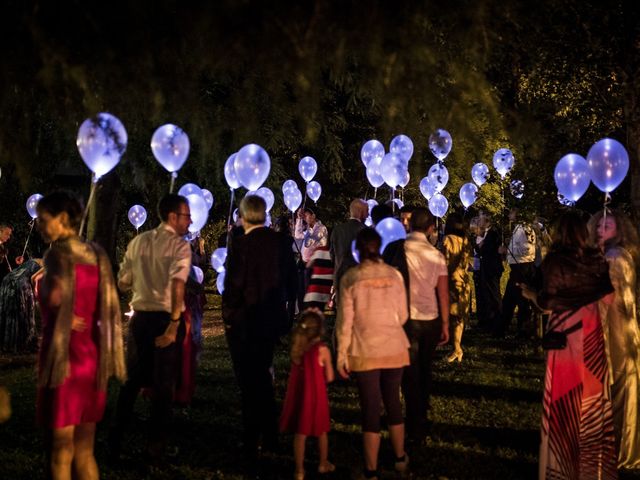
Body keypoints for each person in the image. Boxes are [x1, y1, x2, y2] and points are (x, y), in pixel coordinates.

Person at [35, 191, 125, 480]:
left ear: (61, 220)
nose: (39, 225)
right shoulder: (97, 255)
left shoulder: (57, 256)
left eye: (43, 219)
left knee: (59, 451)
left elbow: (56, 296)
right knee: (85, 451)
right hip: (91, 358)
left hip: (63, 359)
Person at [520, 211, 617, 479]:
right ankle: (592, 469)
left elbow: (548, 303)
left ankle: (561, 467)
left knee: (565, 402)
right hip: (592, 334)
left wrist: (531, 295)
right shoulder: (596, 259)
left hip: (567, 337)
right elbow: (608, 297)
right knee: (593, 401)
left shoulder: (555, 261)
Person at [109, 193, 192, 462]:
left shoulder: (138, 242)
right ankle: (154, 450)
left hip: (139, 319)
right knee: (163, 386)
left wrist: (138, 280)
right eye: (186, 215)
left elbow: (123, 281)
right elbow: (178, 284)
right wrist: (174, 325)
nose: (189, 221)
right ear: (172, 217)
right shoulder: (179, 247)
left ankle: (115, 441)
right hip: (163, 319)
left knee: (131, 382)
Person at [222, 195, 297, 469]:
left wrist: (229, 315)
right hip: (270, 319)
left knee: (248, 381)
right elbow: (292, 281)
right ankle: (270, 434)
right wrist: (284, 314)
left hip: (245, 320)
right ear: (264, 214)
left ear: (243, 217)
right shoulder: (280, 242)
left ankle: (252, 437)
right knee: (263, 375)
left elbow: (234, 283)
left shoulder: (241, 244)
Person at [336, 228, 409, 480]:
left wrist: (341, 355)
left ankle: (371, 469)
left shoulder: (351, 278)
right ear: (379, 246)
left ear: (357, 248)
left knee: (370, 408)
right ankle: (400, 458)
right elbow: (404, 315)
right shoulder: (395, 275)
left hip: (364, 350)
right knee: (393, 403)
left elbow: (345, 323)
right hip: (394, 347)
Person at [589, 209, 640, 468]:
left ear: (618, 230)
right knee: (621, 385)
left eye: (606, 226)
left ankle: (618, 451)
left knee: (617, 385)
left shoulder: (613, 258)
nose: (600, 230)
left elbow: (602, 300)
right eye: (598, 225)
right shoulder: (617, 255)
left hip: (616, 329)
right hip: (624, 328)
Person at [397, 208, 449, 441]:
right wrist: (445, 323)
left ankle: (413, 417)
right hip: (430, 319)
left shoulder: (399, 250)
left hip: (406, 317)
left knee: (410, 372)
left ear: (408, 224)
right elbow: (444, 293)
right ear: (430, 228)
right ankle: (421, 415)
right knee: (425, 369)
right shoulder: (436, 255)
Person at [279, 309, 335, 479]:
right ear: (321, 329)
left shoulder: (297, 349)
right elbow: (330, 377)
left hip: (300, 397)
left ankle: (299, 470)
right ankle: (323, 463)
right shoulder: (322, 350)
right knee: (322, 431)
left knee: (300, 433)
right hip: (317, 397)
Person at [496, 208, 537, 338]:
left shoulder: (523, 229)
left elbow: (527, 249)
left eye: (512, 212)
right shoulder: (522, 228)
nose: (509, 215)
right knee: (511, 299)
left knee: (520, 300)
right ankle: (503, 328)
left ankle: (521, 330)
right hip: (519, 268)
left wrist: (507, 251)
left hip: (522, 267)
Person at [441, 213, 472, 363]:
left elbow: (445, 261)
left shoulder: (447, 240)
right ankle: (457, 347)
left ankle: (457, 348)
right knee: (459, 316)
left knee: (452, 315)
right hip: (464, 279)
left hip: (452, 280)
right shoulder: (465, 240)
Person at [0, 258, 42, 352]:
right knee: (24, 312)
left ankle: (6, 343)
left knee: (10, 312)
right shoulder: (50, 264)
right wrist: (35, 289)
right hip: (21, 283)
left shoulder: (33, 260)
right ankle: (23, 342)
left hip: (7, 280)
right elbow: (34, 278)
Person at [329, 199, 367, 300]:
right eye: (367, 211)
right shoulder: (367, 231)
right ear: (361, 212)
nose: (368, 215)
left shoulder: (337, 230)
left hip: (341, 278)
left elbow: (332, 255)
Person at [476, 215, 503, 331]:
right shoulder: (483, 234)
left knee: (494, 294)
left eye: (480, 220)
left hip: (492, 268)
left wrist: (481, 246)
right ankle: (488, 320)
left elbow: (489, 250)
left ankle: (497, 320)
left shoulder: (493, 233)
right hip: (485, 268)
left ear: (487, 221)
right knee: (486, 294)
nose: (478, 221)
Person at [302, 244, 334, 311]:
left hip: (314, 290)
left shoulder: (319, 250)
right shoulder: (335, 252)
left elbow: (308, 265)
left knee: (311, 315)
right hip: (326, 291)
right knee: (320, 312)